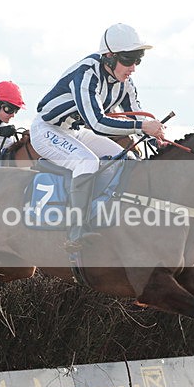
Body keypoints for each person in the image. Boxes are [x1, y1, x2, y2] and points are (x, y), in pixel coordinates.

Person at [29, 23, 167, 243]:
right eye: (128, 60)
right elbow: (97, 123)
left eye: (137, 60)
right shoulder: (86, 73)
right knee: (87, 162)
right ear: (110, 56)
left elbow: (136, 115)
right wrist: (142, 128)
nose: (133, 68)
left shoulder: (125, 82)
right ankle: (76, 229)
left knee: (126, 159)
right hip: (46, 131)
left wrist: (155, 136)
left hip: (74, 132)